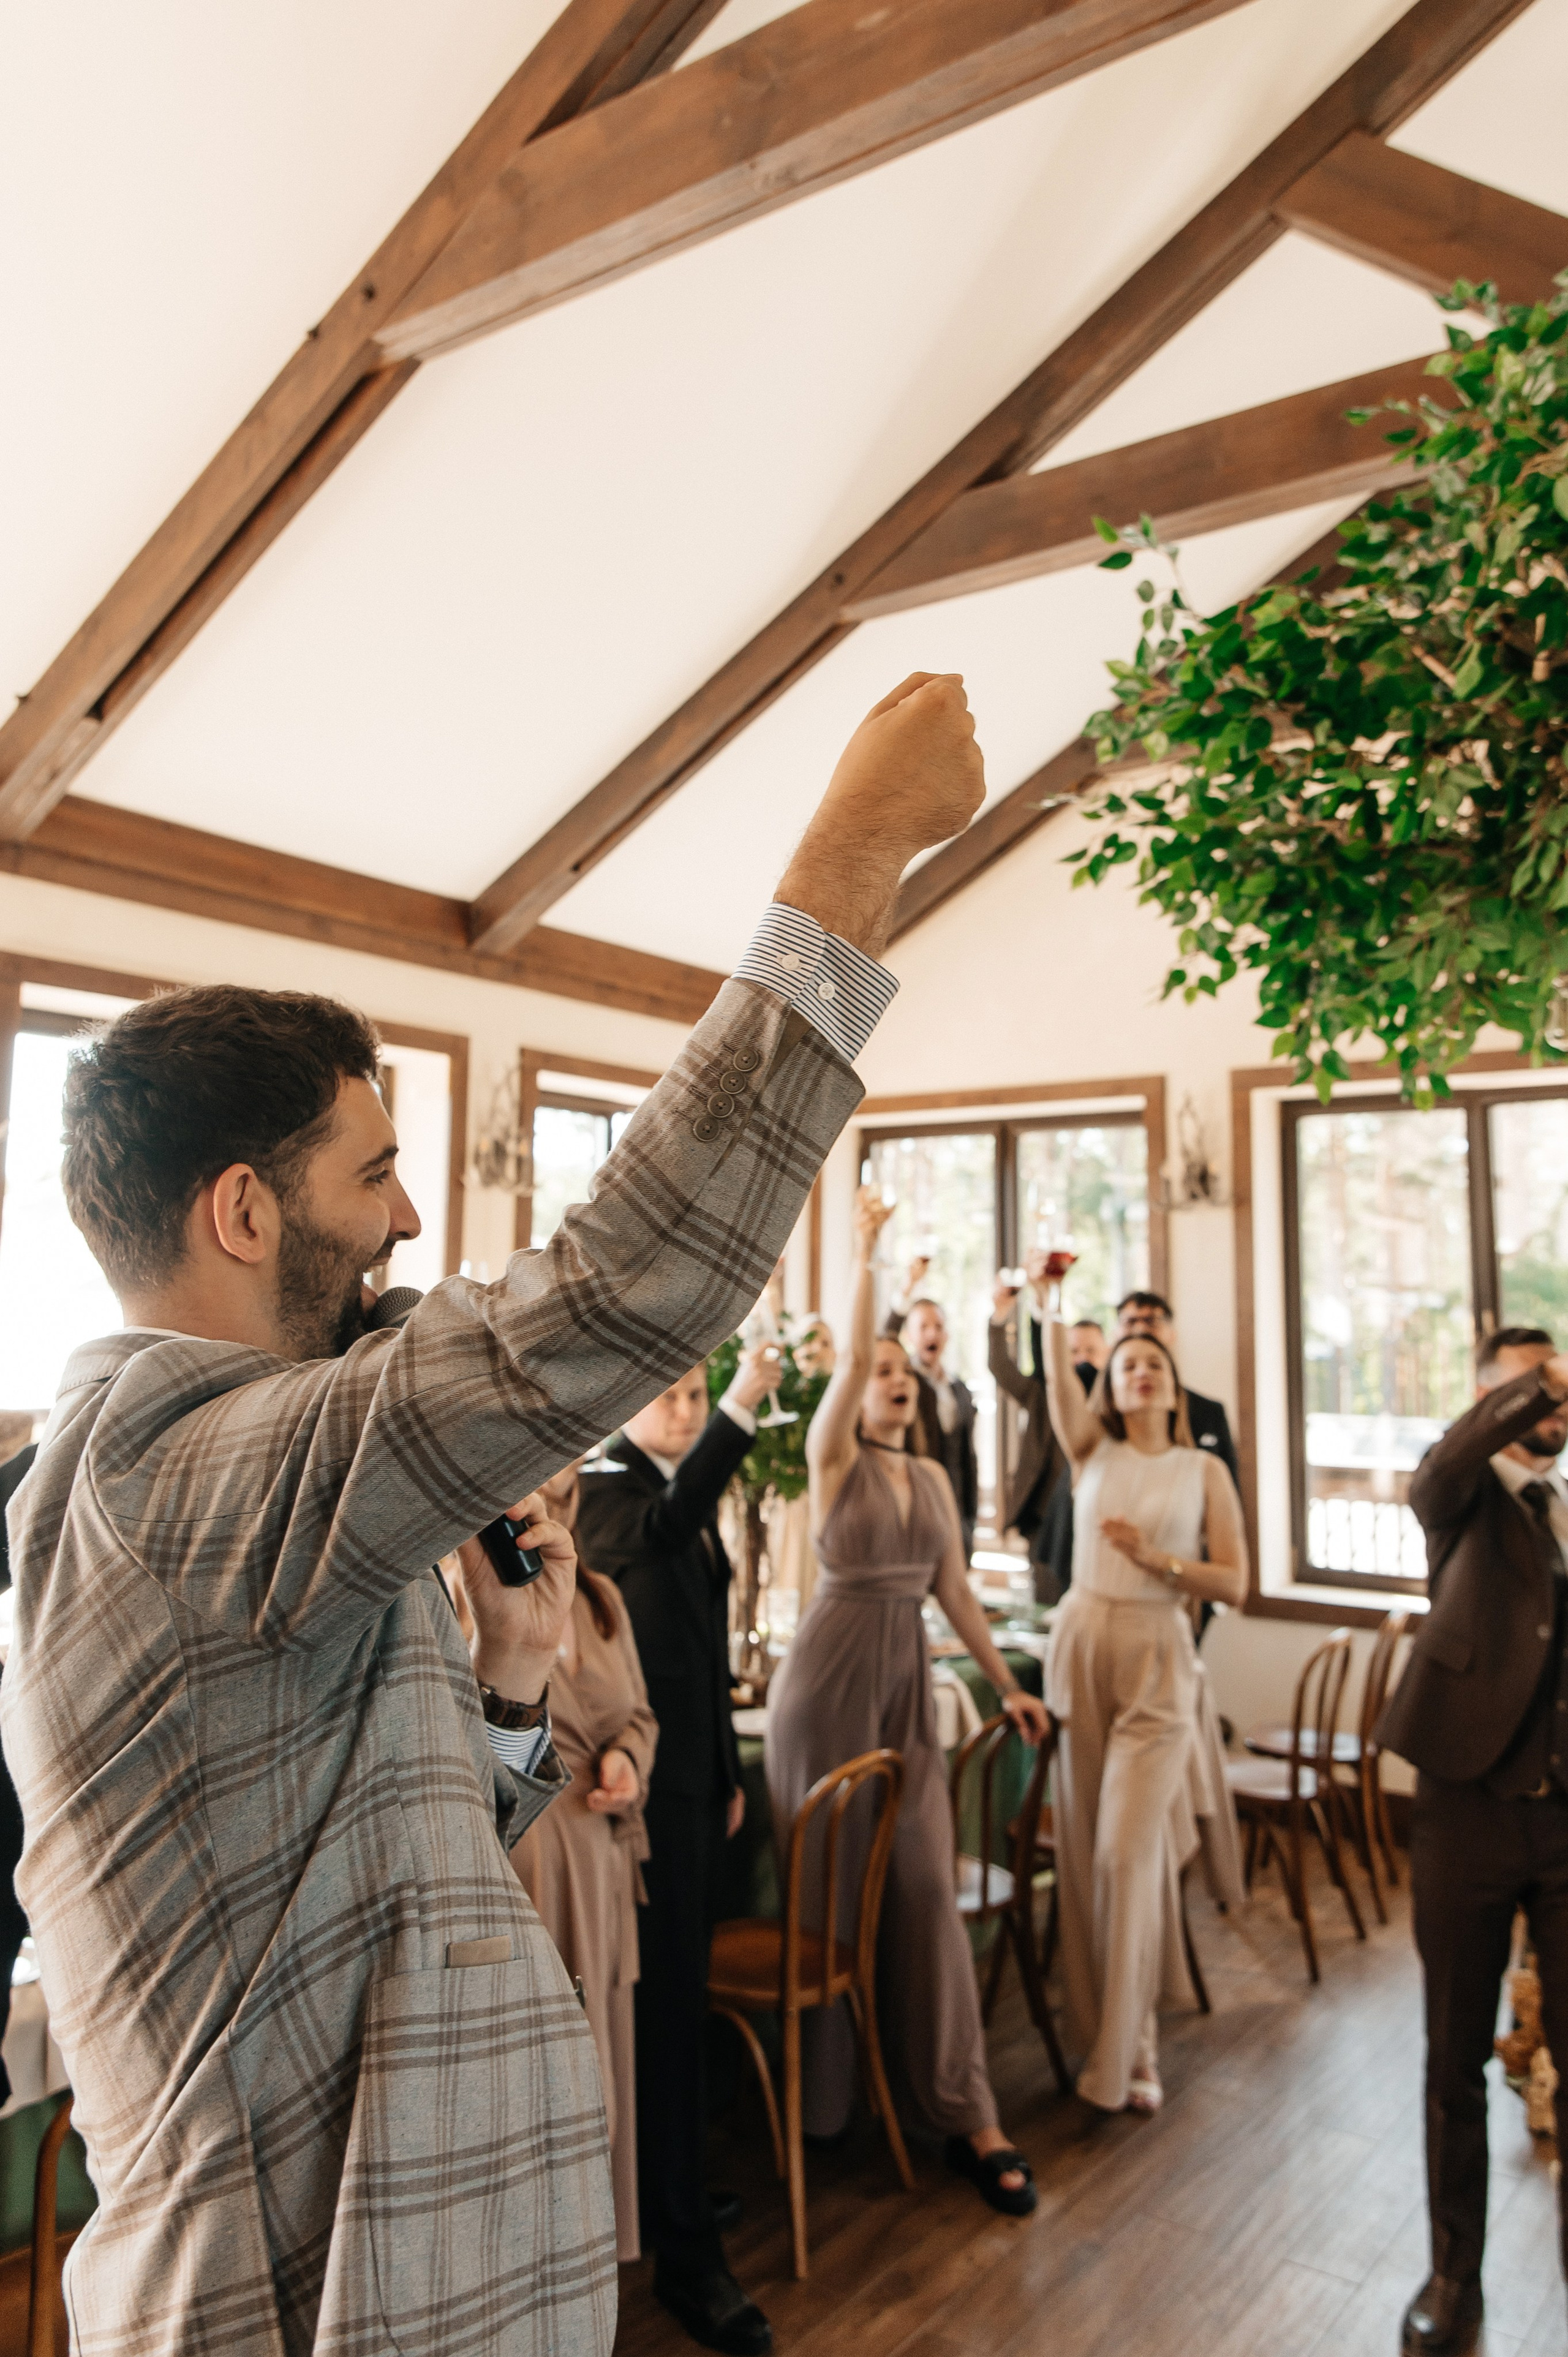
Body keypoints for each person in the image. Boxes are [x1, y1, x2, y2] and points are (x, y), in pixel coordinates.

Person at [0, 668, 986, 2357]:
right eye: (372, 1174)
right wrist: (860, 843)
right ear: (244, 1211)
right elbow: (616, 1294)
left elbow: (438, 1855)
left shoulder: (274, 1495)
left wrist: (520, 1690)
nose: (408, 1219)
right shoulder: (167, 1476)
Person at [766, 1187, 1048, 2218]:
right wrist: (868, 1252)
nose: (886, 1382)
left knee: (926, 1891)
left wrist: (1012, 1686)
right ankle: (827, 2107)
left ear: (919, 1392)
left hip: (904, 1696)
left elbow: (960, 1594)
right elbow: (845, 1359)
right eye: (875, 1372)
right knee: (831, 1892)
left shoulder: (933, 1480)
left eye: (898, 1374)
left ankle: (967, 2109)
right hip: (827, 1688)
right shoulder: (829, 1458)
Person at [574, 1345, 780, 2354]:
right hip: (627, 1804)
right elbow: (670, 1524)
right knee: (658, 2016)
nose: (687, 1408)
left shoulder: (657, 1493)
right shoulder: (610, 1490)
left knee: (681, 2007)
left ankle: (675, 2194)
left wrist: (735, 1776)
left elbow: (704, 1646)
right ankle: (683, 2252)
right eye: (673, 1392)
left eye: (701, 1394)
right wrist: (745, 1410)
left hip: (698, 1786)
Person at [1376, 1326, 1568, 2357]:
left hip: (1566, 1819)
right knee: (1454, 2053)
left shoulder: (1566, 1508)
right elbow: (1451, 1454)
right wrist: (1538, 1385)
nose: (1551, 1409)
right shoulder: (1457, 1493)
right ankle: (1456, 2276)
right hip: (1468, 1809)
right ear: (1489, 1396)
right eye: (1526, 1388)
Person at [1040, 1264, 1247, 2114]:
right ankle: (1121, 2040)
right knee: (1089, 1853)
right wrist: (1049, 1302)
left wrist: (1155, 1559)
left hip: (1160, 1651)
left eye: (1152, 1356)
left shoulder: (1205, 1472)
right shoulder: (1091, 1449)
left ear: (1172, 1376)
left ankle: (1122, 2053)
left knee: (1128, 1851)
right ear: (1112, 1389)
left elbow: (1234, 1582)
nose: (1141, 1367)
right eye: (1126, 1362)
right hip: (1081, 1643)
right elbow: (1057, 1376)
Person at [479, 1461, 658, 2269]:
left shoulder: (604, 1599)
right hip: (534, 1860)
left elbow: (642, 1715)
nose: (559, 1468)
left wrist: (627, 1757)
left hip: (603, 1848)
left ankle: (593, 2265)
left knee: (602, 2069)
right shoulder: (474, 1591)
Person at [887, 1269, 978, 1555]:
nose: (932, 1333)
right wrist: (907, 1287)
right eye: (924, 1327)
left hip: (957, 1506)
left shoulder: (960, 1389)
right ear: (910, 1335)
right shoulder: (903, 1384)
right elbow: (884, 1337)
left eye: (938, 1326)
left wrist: (971, 1518)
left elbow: (968, 1455)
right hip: (915, 1503)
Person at [1115, 1291, 1238, 1487]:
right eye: (1130, 1322)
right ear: (1116, 1334)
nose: (1140, 1329)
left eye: (1151, 1321)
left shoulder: (1209, 1412)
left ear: (1172, 1334)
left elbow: (1230, 1490)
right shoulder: (1102, 1413)